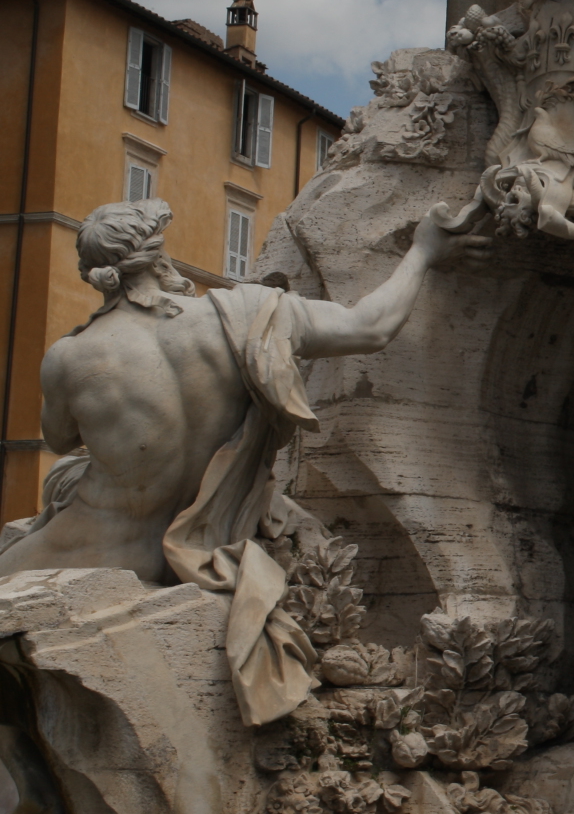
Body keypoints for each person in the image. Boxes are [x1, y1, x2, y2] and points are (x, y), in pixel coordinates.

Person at [0, 197, 467, 725]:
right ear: (160, 257)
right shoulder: (248, 315)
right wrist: (424, 249)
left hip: (91, 547)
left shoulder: (69, 356)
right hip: (193, 548)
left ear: (94, 276)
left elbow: (60, 439)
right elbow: (371, 327)